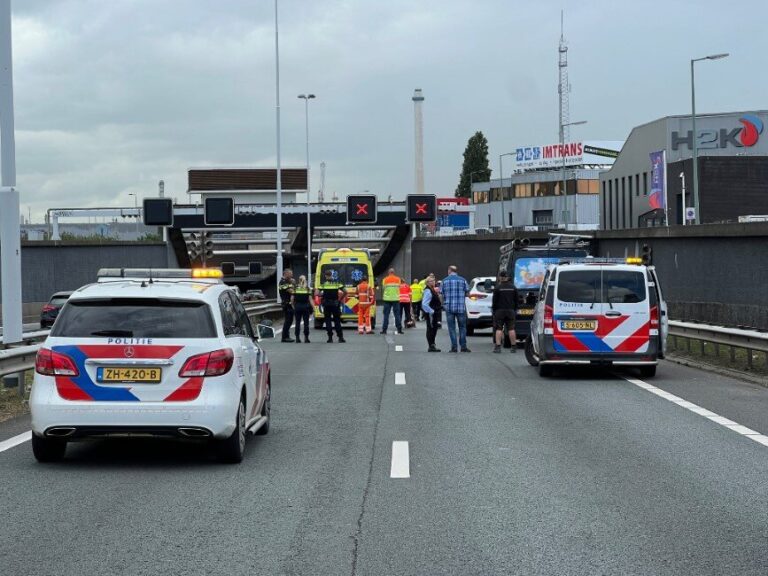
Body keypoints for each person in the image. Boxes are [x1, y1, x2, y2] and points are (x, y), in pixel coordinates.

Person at [441, 265, 470, 352]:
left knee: (451, 328)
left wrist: (443, 304)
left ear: (449, 270)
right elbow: (467, 293)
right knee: (462, 327)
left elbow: (440, 294)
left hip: (449, 307)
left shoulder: (444, 281)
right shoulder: (463, 280)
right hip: (460, 307)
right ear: (456, 271)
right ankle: (463, 346)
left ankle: (454, 347)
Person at [491, 270, 518, 353]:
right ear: (507, 277)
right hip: (510, 311)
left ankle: (498, 347)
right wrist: (514, 309)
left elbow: (494, 301)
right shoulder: (513, 288)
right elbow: (516, 300)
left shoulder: (497, 288)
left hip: (499, 311)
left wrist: (494, 310)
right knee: (511, 329)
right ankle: (513, 346)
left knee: (499, 328)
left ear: (500, 278)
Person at [317, 269, 346, 343]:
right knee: (337, 320)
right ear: (331, 275)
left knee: (328, 320)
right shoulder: (337, 283)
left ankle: (330, 338)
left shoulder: (323, 284)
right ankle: (340, 337)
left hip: (326, 304)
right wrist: (340, 299)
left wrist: (323, 294)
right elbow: (345, 291)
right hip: (335, 304)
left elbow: (317, 293)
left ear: (326, 276)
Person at [421, 276, 442, 352]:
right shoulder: (428, 290)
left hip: (435, 312)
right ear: (427, 282)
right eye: (430, 281)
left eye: (433, 280)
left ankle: (432, 344)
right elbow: (424, 304)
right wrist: (431, 311)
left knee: (434, 328)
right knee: (431, 328)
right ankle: (431, 346)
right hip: (431, 313)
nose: (433, 282)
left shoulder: (432, 289)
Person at [380, 268, 403, 334]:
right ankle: (399, 329)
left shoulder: (385, 279)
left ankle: (384, 330)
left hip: (387, 299)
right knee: (397, 315)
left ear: (388, 272)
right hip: (396, 299)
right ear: (394, 272)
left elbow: (383, 288)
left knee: (386, 315)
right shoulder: (398, 279)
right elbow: (399, 287)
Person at [291, 275, 313, 343]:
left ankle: (297, 338)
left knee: (297, 323)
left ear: (299, 280)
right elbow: (310, 299)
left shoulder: (295, 288)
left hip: (297, 307)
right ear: (305, 280)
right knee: (306, 323)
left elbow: (292, 299)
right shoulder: (307, 289)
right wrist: (313, 307)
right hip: (306, 307)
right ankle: (306, 338)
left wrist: (293, 306)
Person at [278, 268, 295, 342]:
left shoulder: (287, 282)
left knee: (290, 320)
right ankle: (284, 337)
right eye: (290, 274)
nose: (292, 275)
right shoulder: (283, 282)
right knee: (288, 321)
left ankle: (286, 336)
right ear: (286, 274)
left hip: (289, 304)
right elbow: (291, 291)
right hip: (286, 304)